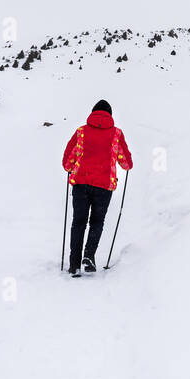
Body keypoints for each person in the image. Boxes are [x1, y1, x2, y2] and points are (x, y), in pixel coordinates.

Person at [61, 99, 133, 276]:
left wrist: (71, 167)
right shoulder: (116, 134)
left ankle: (74, 264)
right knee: (97, 222)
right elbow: (126, 163)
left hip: (80, 184)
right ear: (110, 115)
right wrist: (125, 164)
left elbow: (67, 162)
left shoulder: (81, 132)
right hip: (103, 187)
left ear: (93, 113)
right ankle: (89, 256)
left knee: (78, 223)